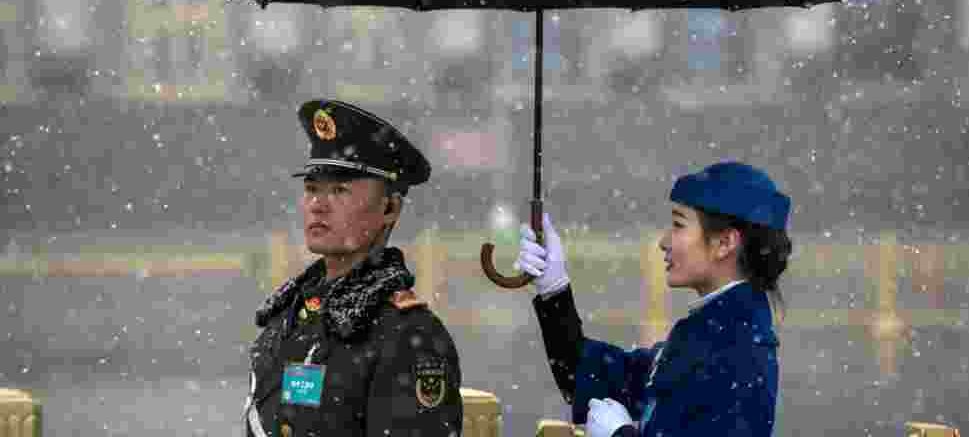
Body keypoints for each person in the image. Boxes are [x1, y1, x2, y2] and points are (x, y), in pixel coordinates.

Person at [515, 161, 792, 437]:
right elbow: (591, 377)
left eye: (678, 225)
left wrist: (620, 435)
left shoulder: (737, 354)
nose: (664, 241)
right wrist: (554, 288)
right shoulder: (710, 335)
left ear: (724, 243)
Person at [245, 98, 463, 437]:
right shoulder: (290, 316)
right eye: (312, 188)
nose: (318, 204)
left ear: (389, 209)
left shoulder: (408, 338)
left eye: (339, 190)